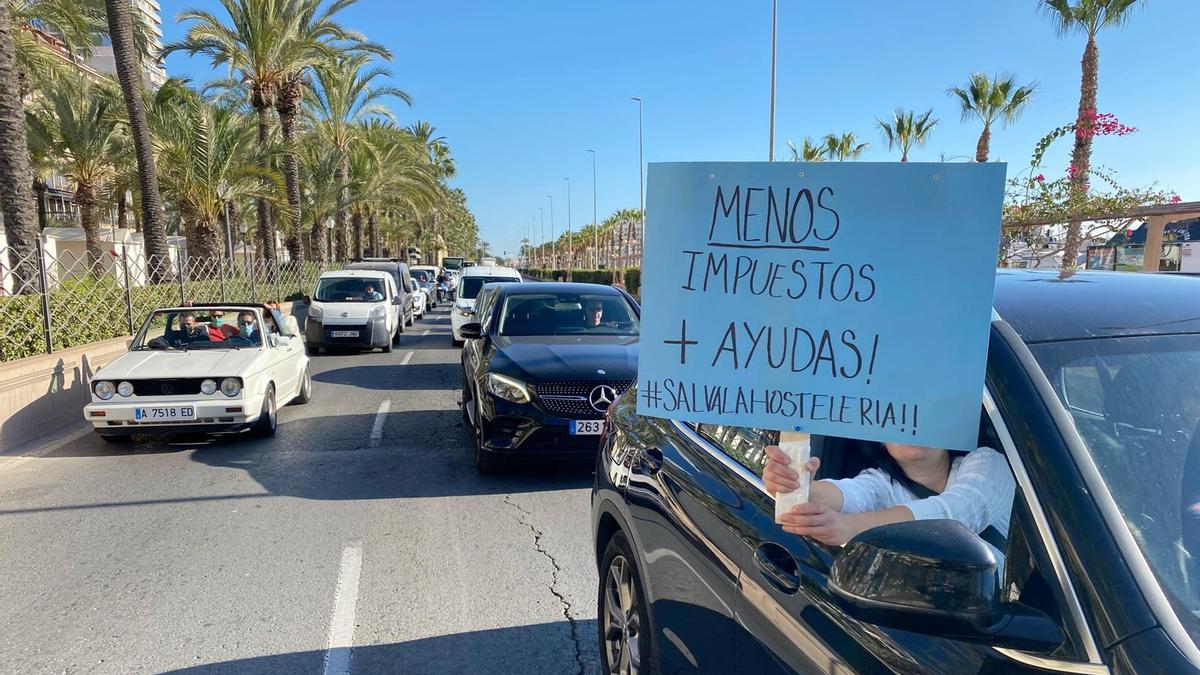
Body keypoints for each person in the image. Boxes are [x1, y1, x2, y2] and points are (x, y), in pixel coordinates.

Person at [762, 439, 1014, 548]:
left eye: (926, 414)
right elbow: (844, 494)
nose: (913, 426)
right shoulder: (879, 483)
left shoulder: (988, 462)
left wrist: (851, 526)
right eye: (899, 416)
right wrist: (793, 484)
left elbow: (958, 512)